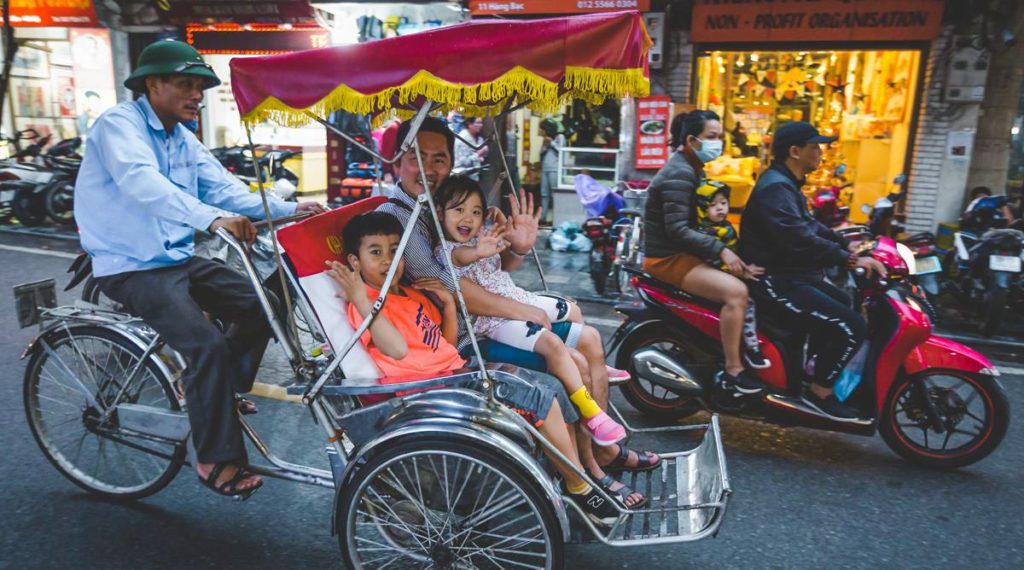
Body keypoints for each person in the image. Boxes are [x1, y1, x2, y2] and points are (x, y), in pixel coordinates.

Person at [74, 40, 326, 499]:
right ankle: (212, 458)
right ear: (153, 84)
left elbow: (226, 189)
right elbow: (141, 182)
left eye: (200, 87)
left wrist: (290, 209)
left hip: (174, 257)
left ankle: (217, 396)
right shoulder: (119, 125)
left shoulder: (181, 138)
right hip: (130, 264)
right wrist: (210, 219)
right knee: (205, 344)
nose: (197, 95)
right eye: (186, 85)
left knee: (263, 304)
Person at [377, 117, 658, 500]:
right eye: (417, 157)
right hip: (462, 338)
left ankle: (601, 452)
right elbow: (452, 287)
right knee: (570, 361)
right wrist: (518, 309)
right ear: (398, 161)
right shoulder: (401, 217)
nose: (429, 167)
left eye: (438, 158)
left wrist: (517, 246)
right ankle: (588, 473)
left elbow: (489, 267)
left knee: (589, 338)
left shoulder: (441, 204)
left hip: (482, 320)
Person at [327, 211, 626, 525]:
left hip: (455, 372)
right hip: (427, 391)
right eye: (376, 252)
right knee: (541, 400)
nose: (389, 260)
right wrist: (362, 299)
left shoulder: (410, 294)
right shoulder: (364, 304)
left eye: (394, 251)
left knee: (550, 387)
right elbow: (396, 350)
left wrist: (447, 306)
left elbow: (445, 343)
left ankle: (569, 475)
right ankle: (579, 485)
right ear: (354, 261)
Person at [432, 175, 627, 445]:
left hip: (518, 297)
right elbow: (460, 258)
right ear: (440, 213)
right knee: (552, 345)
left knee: (571, 309)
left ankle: (598, 365)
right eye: (459, 210)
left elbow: (504, 252)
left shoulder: (481, 238)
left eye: (475, 212)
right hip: (495, 322)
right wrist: (478, 251)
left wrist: (504, 229)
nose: (467, 218)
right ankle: (592, 413)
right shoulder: (447, 249)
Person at [740, 122, 886, 421]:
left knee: (845, 304)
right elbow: (798, 237)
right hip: (773, 282)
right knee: (853, 326)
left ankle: (810, 372)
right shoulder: (776, 188)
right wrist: (848, 259)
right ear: (795, 151)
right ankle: (821, 393)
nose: (821, 153)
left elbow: (810, 226)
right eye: (815, 147)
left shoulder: (786, 183)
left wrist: (846, 243)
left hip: (793, 275)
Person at [643, 110, 766, 394]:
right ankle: (734, 369)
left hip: (684, 254)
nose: (718, 143)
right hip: (667, 259)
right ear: (691, 140)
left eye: (720, 137)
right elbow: (677, 230)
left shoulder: (692, 167)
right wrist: (722, 252)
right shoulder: (680, 173)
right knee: (736, 293)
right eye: (712, 137)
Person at [693, 180, 769, 368]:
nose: (720, 208)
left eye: (723, 203)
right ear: (702, 209)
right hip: (714, 278)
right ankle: (750, 348)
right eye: (712, 205)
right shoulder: (705, 233)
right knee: (747, 303)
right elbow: (715, 261)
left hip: (729, 274)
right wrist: (742, 272)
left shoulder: (725, 227)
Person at [539, 119, 565, 225]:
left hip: (555, 169)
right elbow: (541, 153)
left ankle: (556, 218)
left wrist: (552, 143)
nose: (543, 132)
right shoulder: (545, 139)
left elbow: (562, 151)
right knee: (544, 194)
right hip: (545, 168)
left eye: (544, 129)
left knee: (555, 194)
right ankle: (543, 217)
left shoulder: (560, 137)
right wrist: (545, 145)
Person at [453, 115, 488, 181]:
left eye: (481, 123)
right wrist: (479, 154)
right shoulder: (463, 138)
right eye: (477, 123)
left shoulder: (479, 138)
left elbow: (483, 156)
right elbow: (464, 161)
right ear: (469, 124)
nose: (480, 125)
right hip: (462, 177)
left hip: (474, 176)